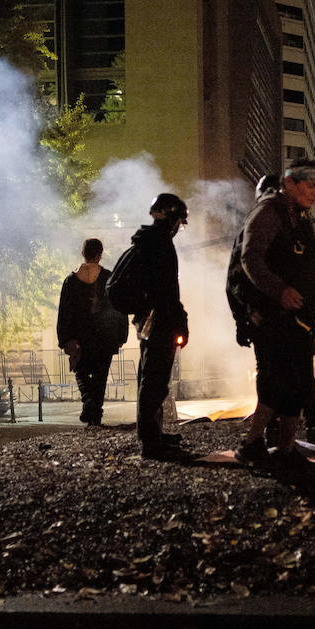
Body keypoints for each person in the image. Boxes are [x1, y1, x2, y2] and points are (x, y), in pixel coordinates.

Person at [231, 158, 315, 466]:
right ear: (289, 183)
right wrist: (279, 290)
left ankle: (287, 449)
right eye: (310, 185)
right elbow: (250, 258)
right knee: (275, 383)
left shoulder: (301, 223)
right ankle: (252, 444)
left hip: (300, 322)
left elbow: (311, 284)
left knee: (299, 386)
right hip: (273, 319)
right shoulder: (267, 213)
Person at [131, 193, 190, 460]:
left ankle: (152, 434)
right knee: (155, 382)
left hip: (148, 320)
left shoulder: (146, 241)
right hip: (160, 321)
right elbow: (167, 292)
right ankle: (151, 442)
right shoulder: (160, 245)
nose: (179, 226)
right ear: (171, 218)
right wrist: (181, 322)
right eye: (179, 220)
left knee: (150, 380)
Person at [56, 238, 128, 428]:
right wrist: (121, 334)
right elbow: (119, 306)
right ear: (100, 255)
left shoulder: (71, 281)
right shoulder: (109, 278)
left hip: (80, 338)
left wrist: (65, 338)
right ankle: (95, 414)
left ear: (83, 254)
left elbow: (64, 311)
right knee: (100, 377)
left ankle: (88, 402)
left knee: (81, 372)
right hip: (106, 336)